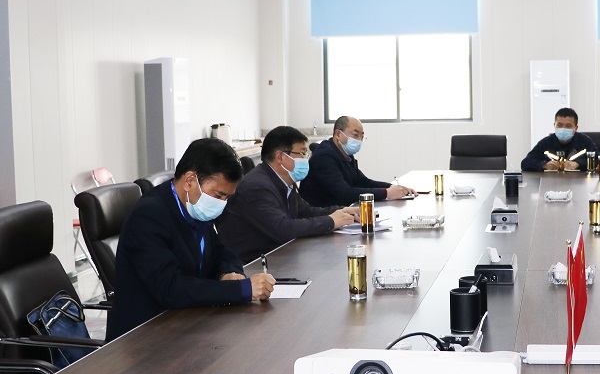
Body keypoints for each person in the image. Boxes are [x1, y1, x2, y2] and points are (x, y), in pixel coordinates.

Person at [108, 138, 275, 341]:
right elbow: (171, 289)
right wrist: (242, 289)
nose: (222, 204)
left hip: (187, 322)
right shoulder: (149, 216)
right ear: (190, 181)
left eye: (227, 198)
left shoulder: (194, 206)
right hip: (144, 337)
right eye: (218, 195)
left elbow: (220, 250)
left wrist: (229, 273)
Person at [216, 126, 360, 264]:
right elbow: (283, 229)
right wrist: (331, 221)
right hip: (252, 265)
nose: (306, 159)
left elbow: (306, 211)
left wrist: (343, 211)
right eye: (302, 154)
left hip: (278, 256)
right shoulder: (257, 186)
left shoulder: (283, 181)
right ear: (280, 157)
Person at [300, 116, 415, 206]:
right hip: (321, 216)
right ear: (338, 134)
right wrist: (386, 193)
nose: (359, 140)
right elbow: (345, 194)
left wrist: (392, 187)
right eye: (355, 135)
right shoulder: (324, 157)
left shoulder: (345, 153)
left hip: (340, 211)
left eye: (361, 136)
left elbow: (362, 181)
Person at [520, 107, 598, 171]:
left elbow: (598, 159)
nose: (563, 129)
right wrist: (544, 165)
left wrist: (579, 163)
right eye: (560, 125)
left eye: (568, 126)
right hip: (552, 182)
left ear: (576, 128)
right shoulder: (546, 142)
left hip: (579, 181)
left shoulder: (584, 141)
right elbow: (526, 163)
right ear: (554, 125)